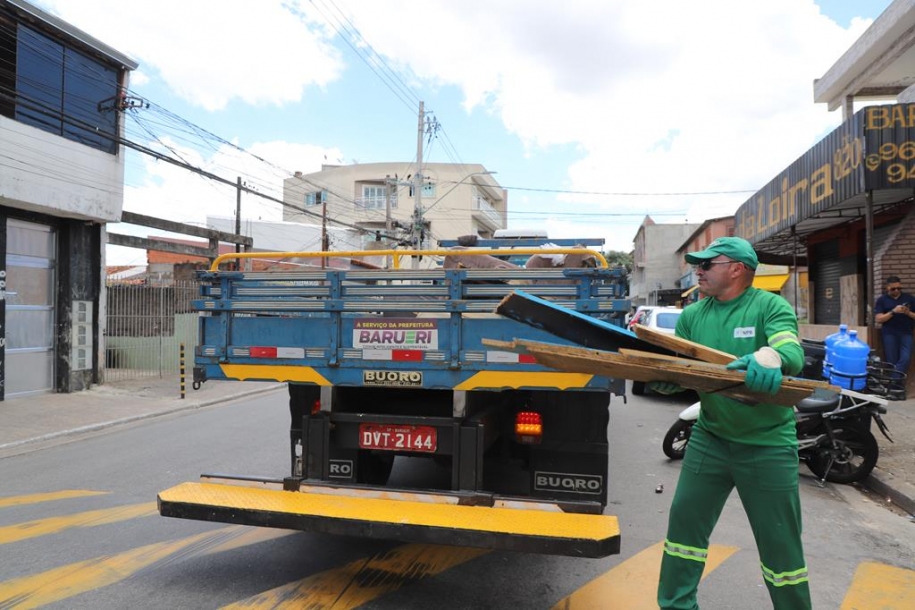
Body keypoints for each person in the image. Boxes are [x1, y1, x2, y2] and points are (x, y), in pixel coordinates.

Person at [650, 236, 810, 609]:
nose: (698, 270)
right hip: (711, 437)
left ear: (736, 269)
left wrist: (772, 357)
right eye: (698, 264)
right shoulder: (693, 315)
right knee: (683, 534)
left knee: (781, 548)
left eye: (707, 264)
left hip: (768, 443)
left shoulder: (769, 305)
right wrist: (666, 380)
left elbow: (791, 348)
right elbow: (683, 369)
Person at [874, 275, 915, 380]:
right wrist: (893, 311)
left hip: (906, 332)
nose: (896, 290)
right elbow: (878, 319)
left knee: (905, 358)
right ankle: (896, 386)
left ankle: (893, 383)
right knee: (891, 360)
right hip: (889, 333)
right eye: (893, 289)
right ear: (887, 288)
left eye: (899, 288)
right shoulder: (882, 300)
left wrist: (908, 312)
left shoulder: (909, 298)